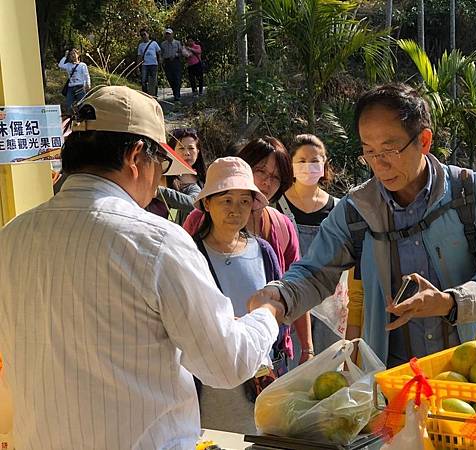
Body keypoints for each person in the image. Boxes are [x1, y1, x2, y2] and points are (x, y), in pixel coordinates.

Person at [0, 86, 284, 449]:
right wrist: (266, 314)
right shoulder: (156, 241)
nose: (159, 180)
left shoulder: (11, 237)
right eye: (161, 165)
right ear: (136, 156)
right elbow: (225, 363)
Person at [248, 83, 476, 367]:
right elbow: (315, 273)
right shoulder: (357, 211)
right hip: (390, 381)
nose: (379, 165)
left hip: (472, 375)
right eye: (369, 152)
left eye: (390, 150)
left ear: (424, 141)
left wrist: (450, 302)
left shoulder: (471, 193)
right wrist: (280, 294)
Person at [184, 137, 314, 364]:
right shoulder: (197, 227)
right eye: (261, 171)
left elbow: (295, 288)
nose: (267, 181)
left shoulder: (279, 229)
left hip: (268, 358)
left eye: (275, 177)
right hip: (211, 361)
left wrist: (307, 348)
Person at [190, 157, 287, 434]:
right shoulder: (190, 253)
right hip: (210, 388)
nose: (236, 209)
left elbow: (280, 305)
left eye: (245, 201)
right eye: (227, 200)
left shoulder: (264, 250)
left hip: (260, 382)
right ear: (207, 203)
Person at [276, 134, 346, 362]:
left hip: (332, 305)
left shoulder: (339, 208)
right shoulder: (276, 207)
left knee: (329, 370)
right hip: (291, 299)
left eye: (315, 160)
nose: (309, 166)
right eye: (302, 160)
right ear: (291, 165)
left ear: (325, 165)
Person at [150, 128, 206, 225]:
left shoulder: (204, 180)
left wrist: (159, 191)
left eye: (191, 148)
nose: (186, 153)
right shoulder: (161, 175)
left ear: (198, 151)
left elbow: (195, 203)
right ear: (172, 151)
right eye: (181, 148)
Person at [58, 48, 91, 112]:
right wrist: (65, 56)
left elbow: (86, 75)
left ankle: (82, 119)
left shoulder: (82, 65)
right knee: (69, 104)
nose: (72, 55)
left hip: (80, 87)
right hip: (71, 87)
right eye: (71, 54)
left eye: (74, 53)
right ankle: (71, 118)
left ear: (78, 55)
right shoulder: (68, 65)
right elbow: (60, 65)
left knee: (82, 104)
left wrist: (88, 84)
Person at [137, 28, 161, 96]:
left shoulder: (154, 43)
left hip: (153, 64)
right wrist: (137, 67)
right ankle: (145, 95)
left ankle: (155, 95)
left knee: (154, 80)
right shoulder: (141, 45)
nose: (143, 36)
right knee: (144, 80)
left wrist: (160, 58)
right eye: (142, 35)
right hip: (145, 64)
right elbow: (139, 56)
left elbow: (159, 51)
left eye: (144, 34)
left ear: (148, 34)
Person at [161, 28, 183, 101]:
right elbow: (162, 53)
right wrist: (162, 60)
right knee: (170, 78)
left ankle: (177, 95)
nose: (168, 36)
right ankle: (175, 92)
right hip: (167, 62)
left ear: (172, 35)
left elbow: (181, 52)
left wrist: (176, 55)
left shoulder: (177, 43)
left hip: (175, 61)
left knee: (177, 78)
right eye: (166, 34)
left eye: (169, 34)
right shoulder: (163, 44)